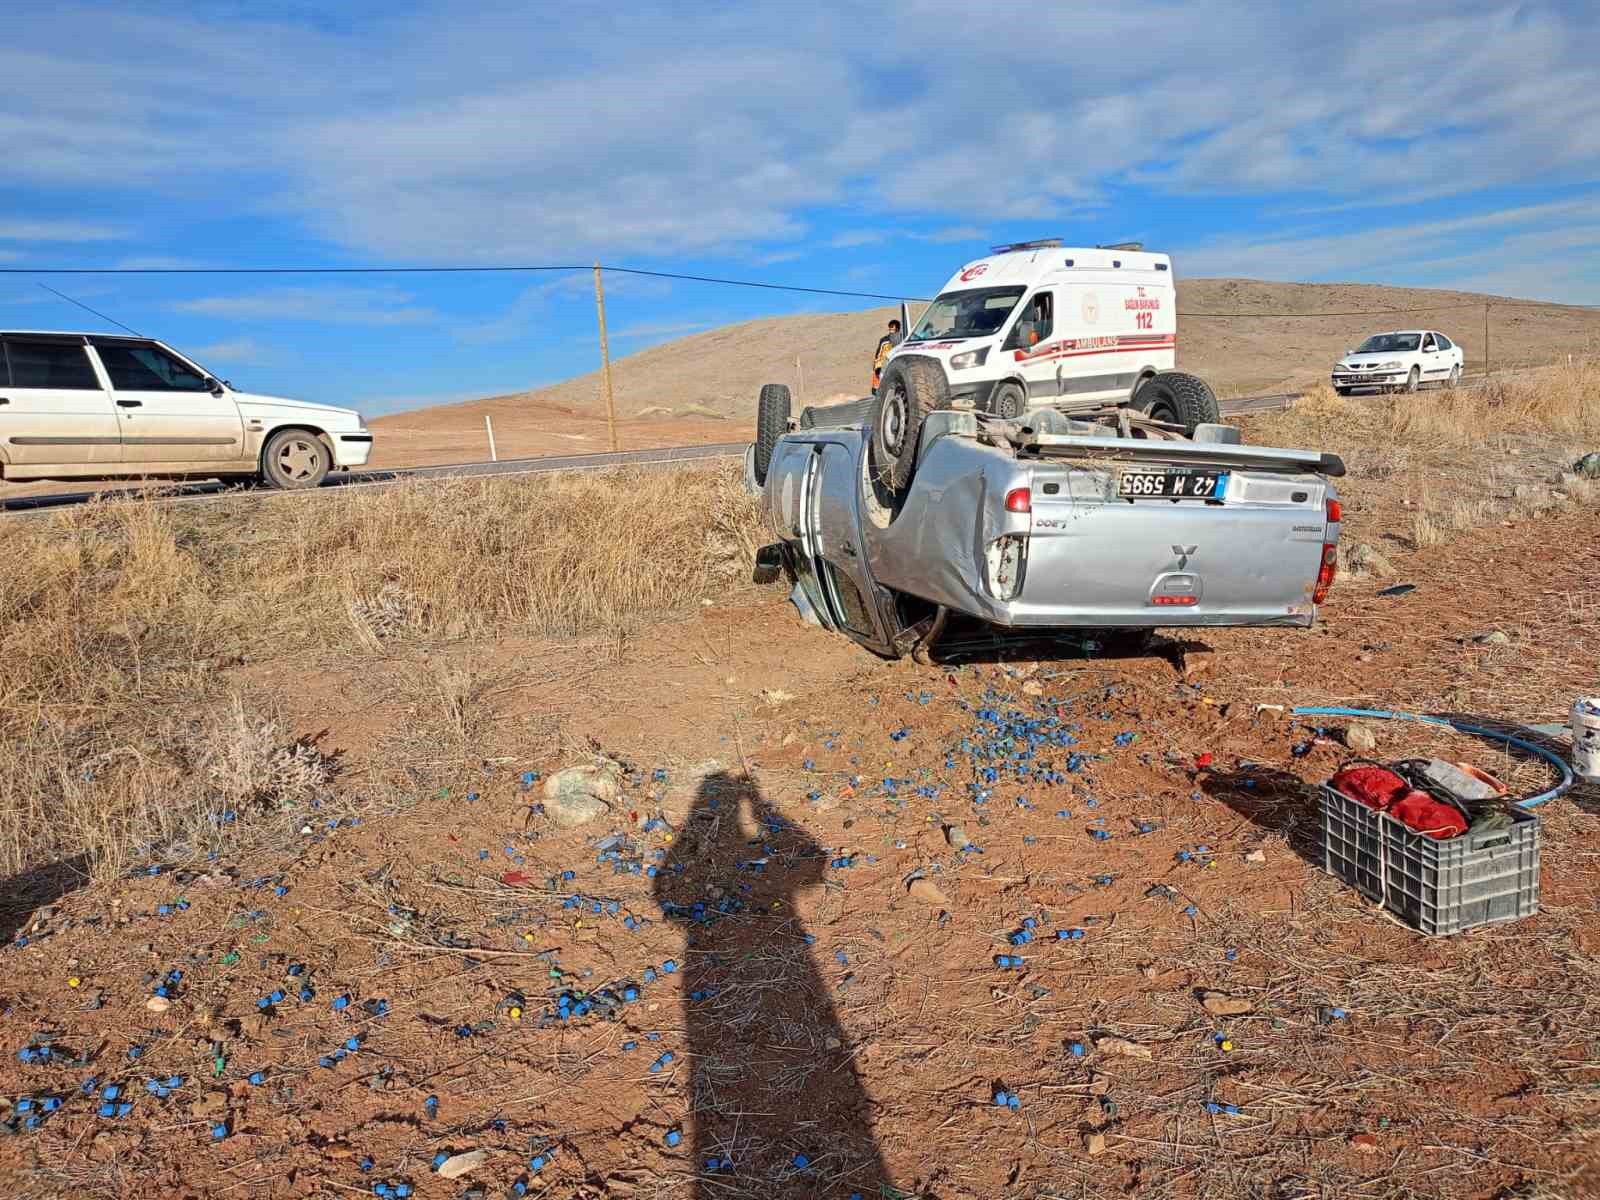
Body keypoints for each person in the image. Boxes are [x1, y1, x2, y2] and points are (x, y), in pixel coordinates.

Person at [870, 319, 902, 391]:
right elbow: (879, 354)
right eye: (889, 326)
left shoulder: (903, 339)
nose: (890, 328)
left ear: (897, 328)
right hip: (884, 366)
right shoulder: (884, 340)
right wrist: (877, 366)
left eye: (892, 327)